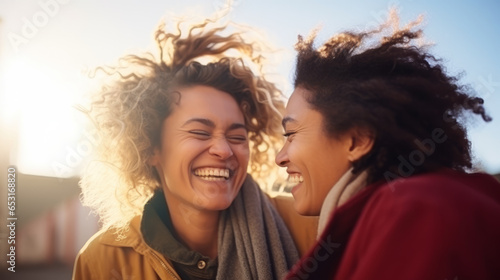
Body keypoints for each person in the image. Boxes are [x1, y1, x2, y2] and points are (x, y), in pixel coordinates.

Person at [72, 16, 317, 280]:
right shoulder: (101, 260)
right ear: (151, 149)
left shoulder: (312, 230)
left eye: (237, 137)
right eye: (200, 132)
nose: (223, 150)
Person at [276, 11, 500, 280]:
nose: (280, 157)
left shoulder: (412, 212)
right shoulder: (413, 206)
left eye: (291, 134)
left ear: (357, 141)